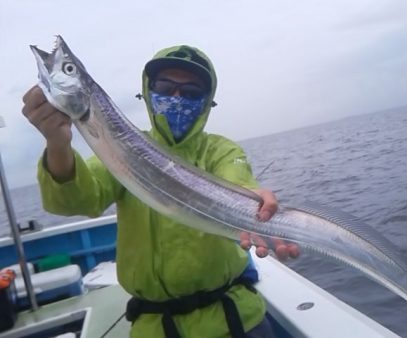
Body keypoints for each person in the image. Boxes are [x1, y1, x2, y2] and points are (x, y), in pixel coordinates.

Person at [22, 45, 299, 338]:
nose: (177, 98)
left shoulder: (221, 150)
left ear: (207, 102)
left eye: (191, 92)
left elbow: (237, 181)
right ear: (148, 91)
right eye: (166, 87)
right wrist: (57, 142)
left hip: (236, 319)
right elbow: (76, 199)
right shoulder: (124, 145)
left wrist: (250, 200)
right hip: (155, 328)